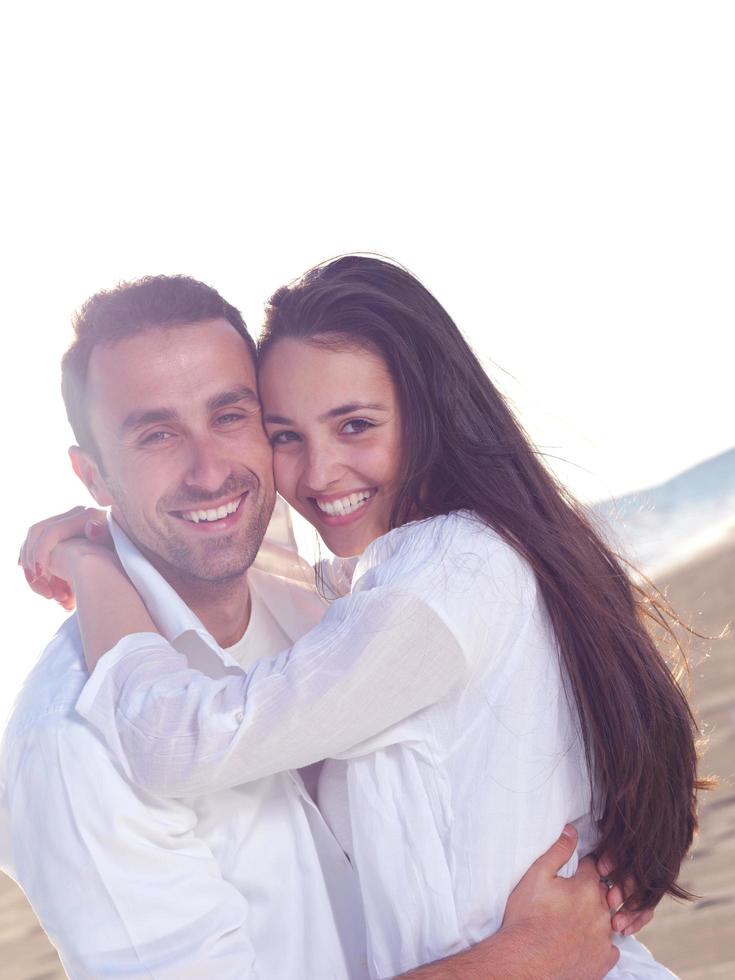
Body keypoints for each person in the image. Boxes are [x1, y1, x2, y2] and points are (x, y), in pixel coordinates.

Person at [18, 260, 695, 977]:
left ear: (426, 413)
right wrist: (520, 960)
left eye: (231, 417)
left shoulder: (423, 586)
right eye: (156, 435)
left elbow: (179, 737)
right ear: (90, 475)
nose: (213, 469)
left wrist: (90, 563)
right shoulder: (73, 742)